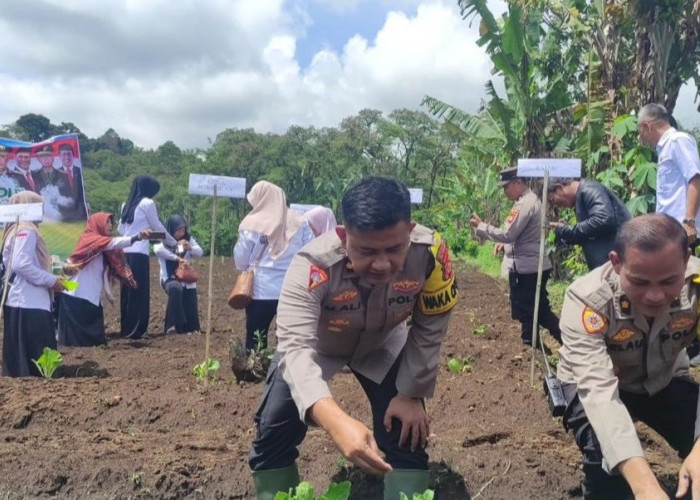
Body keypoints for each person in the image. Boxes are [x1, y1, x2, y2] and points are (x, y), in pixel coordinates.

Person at [248, 177, 457, 500]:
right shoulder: (312, 265)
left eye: (394, 248)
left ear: (410, 230)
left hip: (382, 345)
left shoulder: (431, 255)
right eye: (367, 251)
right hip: (320, 347)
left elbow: (430, 327)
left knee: (407, 434)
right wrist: (335, 420)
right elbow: (296, 349)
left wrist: (411, 393)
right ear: (344, 237)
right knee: (273, 431)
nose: (382, 263)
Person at [557, 214, 700, 500]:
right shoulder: (586, 301)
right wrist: (645, 487)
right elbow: (598, 392)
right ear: (616, 262)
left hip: (665, 377)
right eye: (640, 282)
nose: (655, 295)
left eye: (669, 281)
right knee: (608, 474)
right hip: (595, 386)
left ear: (686, 261)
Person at [470, 167, 561, 345]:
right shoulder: (527, 201)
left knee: (532, 312)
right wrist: (505, 244)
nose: (504, 192)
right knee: (535, 311)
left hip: (528, 269)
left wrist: (482, 226)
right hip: (530, 265)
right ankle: (535, 345)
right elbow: (520, 235)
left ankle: (534, 345)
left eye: (506, 187)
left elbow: (508, 234)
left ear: (518, 182)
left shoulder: (524, 204)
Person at [233, 181, 315, 352]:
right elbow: (311, 252)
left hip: (261, 290)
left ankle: (255, 370)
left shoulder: (251, 224)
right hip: (292, 289)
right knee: (290, 337)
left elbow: (241, 259)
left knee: (257, 334)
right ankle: (285, 369)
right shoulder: (300, 222)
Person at [57, 213, 150, 347]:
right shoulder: (90, 240)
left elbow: (104, 274)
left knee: (95, 342)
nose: (111, 225)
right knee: (77, 345)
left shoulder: (104, 250)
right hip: (76, 298)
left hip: (92, 300)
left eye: (111, 223)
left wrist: (109, 294)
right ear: (98, 224)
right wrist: (137, 237)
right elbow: (113, 243)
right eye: (107, 222)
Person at [1, 191, 67, 377]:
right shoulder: (26, 230)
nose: (42, 211)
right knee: (38, 354)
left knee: (19, 356)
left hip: (18, 299)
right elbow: (20, 264)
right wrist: (51, 280)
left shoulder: (14, 229)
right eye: (38, 206)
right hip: (29, 301)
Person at [118, 175, 175, 339]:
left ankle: (126, 329)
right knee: (139, 291)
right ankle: (138, 329)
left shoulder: (125, 205)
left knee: (126, 292)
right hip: (139, 252)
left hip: (125, 251)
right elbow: (157, 226)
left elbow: (121, 230)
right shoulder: (147, 203)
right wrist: (172, 242)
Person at [638, 103, 700, 244]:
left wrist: (689, 221)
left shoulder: (678, 141)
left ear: (648, 126)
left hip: (682, 230)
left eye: (641, 132)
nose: (643, 139)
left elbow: (695, 178)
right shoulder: (664, 148)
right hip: (669, 231)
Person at [547, 177, 631, 270]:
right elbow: (590, 233)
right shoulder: (581, 196)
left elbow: (603, 219)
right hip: (608, 264)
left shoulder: (589, 189)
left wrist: (567, 229)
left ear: (559, 188)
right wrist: (565, 232)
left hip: (615, 262)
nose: (556, 205)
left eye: (552, 199)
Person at [153, 214, 203, 335]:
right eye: (178, 230)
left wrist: (190, 248)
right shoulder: (164, 241)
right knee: (176, 289)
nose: (182, 233)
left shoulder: (188, 239)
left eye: (183, 229)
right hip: (168, 278)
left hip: (185, 278)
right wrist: (176, 256)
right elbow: (157, 249)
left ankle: (189, 327)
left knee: (190, 293)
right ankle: (172, 326)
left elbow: (200, 252)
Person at [55, 143, 87, 221]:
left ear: (73, 155)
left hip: (80, 213)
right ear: (60, 156)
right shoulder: (56, 174)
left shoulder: (80, 172)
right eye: (64, 154)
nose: (67, 157)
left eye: (69, 154)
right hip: (63, 214)